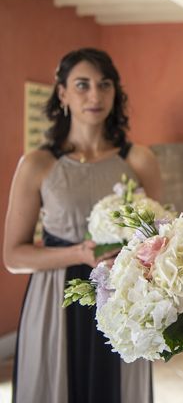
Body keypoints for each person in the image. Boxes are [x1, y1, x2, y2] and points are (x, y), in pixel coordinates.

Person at [3, 48, 162, 403]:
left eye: (104, 85)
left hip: (123, 297)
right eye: (82, 85)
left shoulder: (139, 160)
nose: (95, 95)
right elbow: (13, 256)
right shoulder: (37, 164)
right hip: (54, 301)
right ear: (62, 93)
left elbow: (159, 238)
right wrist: (78, 253)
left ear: (115, 93)